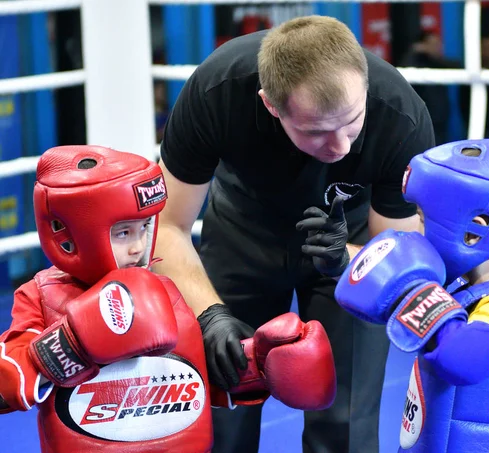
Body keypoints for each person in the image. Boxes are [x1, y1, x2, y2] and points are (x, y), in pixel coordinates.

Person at [154, 14, 435, 453]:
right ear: (270, 105)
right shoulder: (218, 91)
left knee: (345, 424)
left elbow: (399, 253)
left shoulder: (399, 114)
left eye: (352, 122)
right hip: (240, 233)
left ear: (364, 84)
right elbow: (166, 225)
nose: (340, 146)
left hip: (352, 240)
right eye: (316, 131)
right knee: (221, 412)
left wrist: (350, 259)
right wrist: (208, 314)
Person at [0, 145, 336, 453]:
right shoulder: (41, 296)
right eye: (122, 232)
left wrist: (259, 365)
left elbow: (193, 378)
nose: (138, 246)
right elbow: (6, 385)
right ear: (70, 235)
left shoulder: (166, 289)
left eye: (145, 227)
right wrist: (72, 345)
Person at [335, 139, 489, 452]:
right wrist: (342, 265)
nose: (416, 229)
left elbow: (463, 359)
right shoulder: (467, 292)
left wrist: (416, 292)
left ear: (473, 232)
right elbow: (415, 314)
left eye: (423, 218)